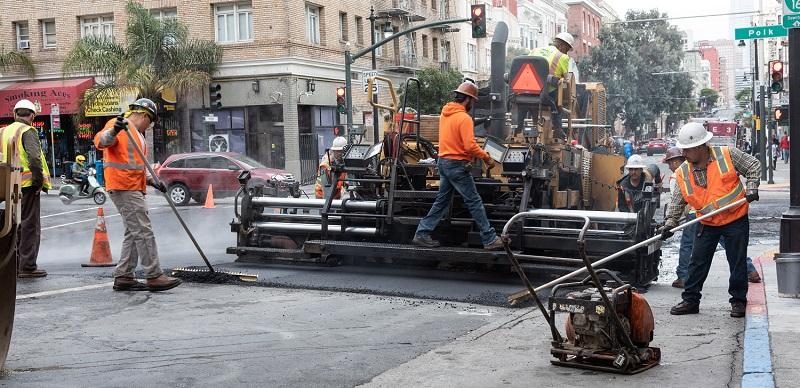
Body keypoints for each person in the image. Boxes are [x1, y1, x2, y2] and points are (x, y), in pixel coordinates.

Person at [662, 122, 761, 318]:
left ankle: (738, 301)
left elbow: (753, 165)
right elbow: (677, 201)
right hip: (707, 223)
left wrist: (751, 187)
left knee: (737, 262)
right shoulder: (683, 172)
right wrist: (669, 224)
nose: (685, 153)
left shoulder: (727, 155)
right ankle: (690, 300)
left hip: (735, 218)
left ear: (701, 147)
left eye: (688, 149)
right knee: (697, 263)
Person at [94, 98, 181, 292]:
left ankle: (124, 275)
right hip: (124, 186)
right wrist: (115, 130)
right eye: (150, 122)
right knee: (143, 230)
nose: (149, 126)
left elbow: (140, 164)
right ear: (144, 115)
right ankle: (154, 275)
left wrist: (155, 181)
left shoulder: (137, 135)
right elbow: (101, 141)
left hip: (134, 186)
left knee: (133, 232)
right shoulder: (118, 124)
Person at [413, 81, 503, 250]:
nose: (473, 104)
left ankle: (422, 233)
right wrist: (486, 157)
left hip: (444, 162)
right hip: (456, 165)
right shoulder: (464, 118)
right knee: (474, 201)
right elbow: (469, 145)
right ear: (468, 99)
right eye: (473, 101)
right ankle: (489, 238)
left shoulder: (445, 114)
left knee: (442, 200)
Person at [0, 99, 51, 278]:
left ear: (14, 114)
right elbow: (35, 159)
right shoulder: (28, 131)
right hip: (27, 185)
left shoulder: (4, 131)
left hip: (8, 185)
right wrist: (38, 182)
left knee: (14, 224)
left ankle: (14, 264)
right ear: (32, 116)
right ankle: (27, 266)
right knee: (29, 224)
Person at [663, 147, 694, 289]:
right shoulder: (692, 168)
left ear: (676, 162)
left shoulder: (677, 175)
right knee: (725, 240)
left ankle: (682, 276)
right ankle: (749, 269)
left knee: (686, 245)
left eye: (669, 163)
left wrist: (671, 222)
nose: (669, 167)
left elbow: (677, 202)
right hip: (709, 210)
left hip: (695, 213)